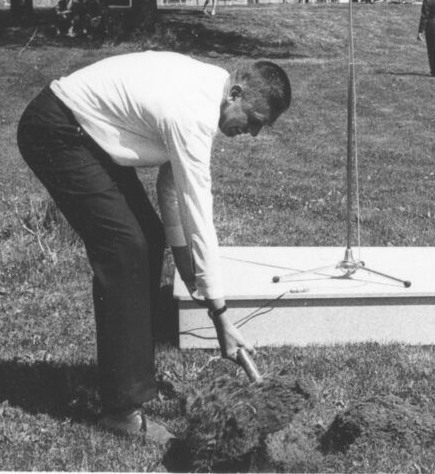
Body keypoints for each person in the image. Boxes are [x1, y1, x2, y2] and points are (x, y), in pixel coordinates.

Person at [16, 52, 291, 443]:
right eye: (255, 121)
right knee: (125, 246)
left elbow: (169, 186)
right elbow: (198, 212)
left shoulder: (208, 92)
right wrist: (220, 314)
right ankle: (121, 410)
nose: (254, 133)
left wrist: (187, 268)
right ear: (236, 93)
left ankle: (132, 370)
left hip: (86, 133)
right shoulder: (193, 113)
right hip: (56, 130)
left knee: (148, 233)